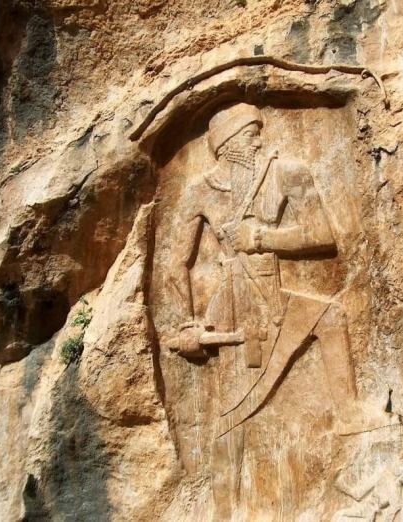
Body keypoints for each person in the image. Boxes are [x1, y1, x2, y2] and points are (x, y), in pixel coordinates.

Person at [165, 103, 388, 517]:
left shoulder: (286, 172)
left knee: (331, 316)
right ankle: (223, 511)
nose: (259, 141)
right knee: (232, 415)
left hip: (272, 293)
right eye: (251, 134)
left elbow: (322, 235)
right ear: (228, 143)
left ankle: (348, 413)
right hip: (233, 306)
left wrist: (263, 238)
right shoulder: (200, 190)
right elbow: (177, 263)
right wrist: (187, 322)